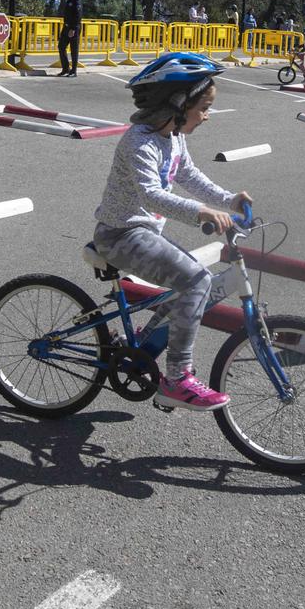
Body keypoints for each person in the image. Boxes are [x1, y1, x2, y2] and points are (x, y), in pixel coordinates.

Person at [92, 53, 251, 411]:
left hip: (145, 234)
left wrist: (229, 200)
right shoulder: (140, 142)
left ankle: (144, 342)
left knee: (190, 282)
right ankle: (177, 380)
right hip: (121, 235)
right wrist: (202, 213)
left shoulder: (173, 137)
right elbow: (152, 195)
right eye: (204, 107)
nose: (207, 115)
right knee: (196, 281)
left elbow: (189, 176)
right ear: (178, 104)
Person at [57, 0, 83, 76]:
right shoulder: (69, 1)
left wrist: (72, 29)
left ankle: (74, 71)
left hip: (74, 28)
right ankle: (66, 68)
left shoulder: (76, 1)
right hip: (66, 27)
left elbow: (77, 16)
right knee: (61, 46)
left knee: (74, 49)